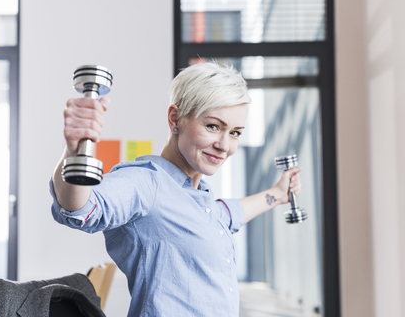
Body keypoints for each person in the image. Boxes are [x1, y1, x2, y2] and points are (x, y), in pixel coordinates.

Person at [50, 62, 302, 317]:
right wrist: (73, 151)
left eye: (235, 133)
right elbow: (81, 208)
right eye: (213, 126)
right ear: (175, 118)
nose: (224, 145)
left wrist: (278, 194)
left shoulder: (199, 198)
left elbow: (230, 213)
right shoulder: (146, 183)